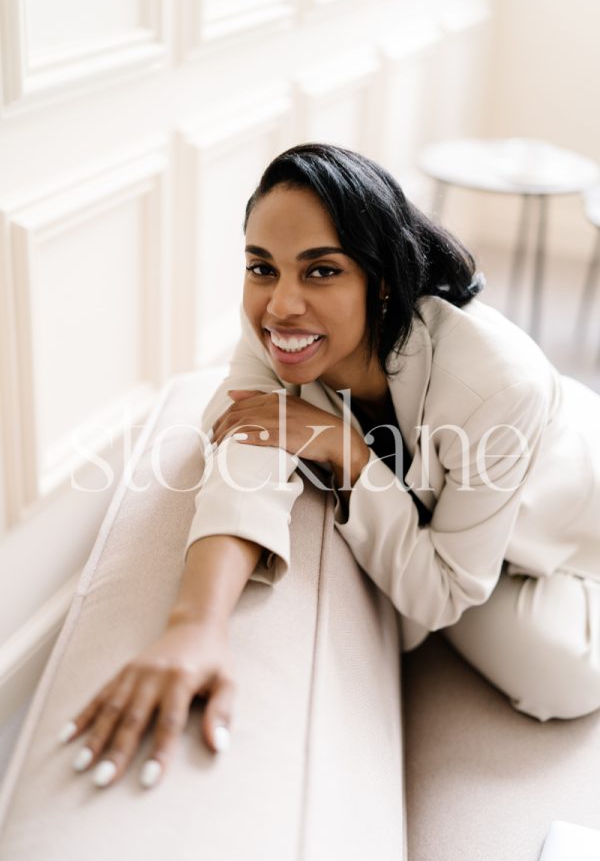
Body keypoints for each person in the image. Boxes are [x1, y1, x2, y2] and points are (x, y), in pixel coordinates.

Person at [58, 143, 600, 792]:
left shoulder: (495, 381)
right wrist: (195, 625)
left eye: (320, 271)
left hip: (567, 512)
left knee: (562, 677)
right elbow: (244, 449)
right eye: (262, 268)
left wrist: (345, 451)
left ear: (385, 280)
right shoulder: (280, 335)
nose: (281, 305)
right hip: (477, 543)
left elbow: (437, 595)